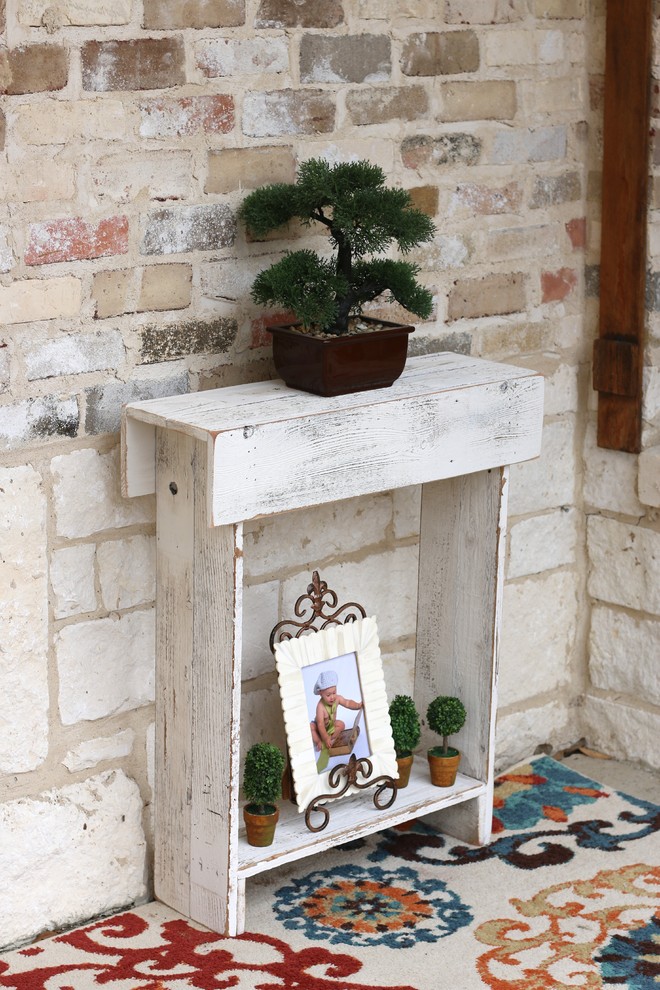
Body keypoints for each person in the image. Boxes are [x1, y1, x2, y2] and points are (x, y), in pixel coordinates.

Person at [311, 669, 363, 772]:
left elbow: (347, 702)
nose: (332, 697)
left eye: (334, 692)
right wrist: (325, 738)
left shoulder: (337, 699)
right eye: (328, 695)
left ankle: (332, 737)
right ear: (321, 693)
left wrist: (357, 705)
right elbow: (320, 724)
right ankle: (319, 741)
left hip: (330, 726)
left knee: (341, 724)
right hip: (319, 728)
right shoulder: (320, 707)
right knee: (311, 728)